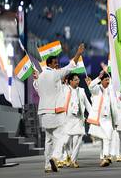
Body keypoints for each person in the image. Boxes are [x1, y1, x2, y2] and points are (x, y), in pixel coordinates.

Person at [33, 43, 85, 173]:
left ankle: (47, 165)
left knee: (49, 140)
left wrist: (36, 78)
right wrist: (78, 53)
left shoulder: (39, 78)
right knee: (62, 136)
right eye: (55, 63)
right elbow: (70, 67)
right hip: (54, 112)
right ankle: (55, 158)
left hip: (43, 113)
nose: (57, 64)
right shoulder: (54, 74)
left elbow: (38, 89)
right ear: (49, 64)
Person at [87, 71, 119, 167]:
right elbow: (90, 86)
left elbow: (114, 106)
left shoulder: (110, 90)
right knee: (104, 138)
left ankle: (105, 156)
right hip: (99, 119)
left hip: (108, 118)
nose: (108, 81)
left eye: (108, 79)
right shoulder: (97, 89)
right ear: (101, 80)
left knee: (107, 138)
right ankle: (104, 156)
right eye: (106, 80)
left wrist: (115, 121)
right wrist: (98, 77)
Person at [62, 73, 92, 168]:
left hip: (79, 119)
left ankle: (73, 160)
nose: (78, 81)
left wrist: (92, 116)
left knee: (77, 141)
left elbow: (87, 104)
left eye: (78, 79)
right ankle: (68, 156)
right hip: (67, 119)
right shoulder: (64, 90)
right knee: (66, 142)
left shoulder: (82, 91)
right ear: (70, 81)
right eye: (75, 80)